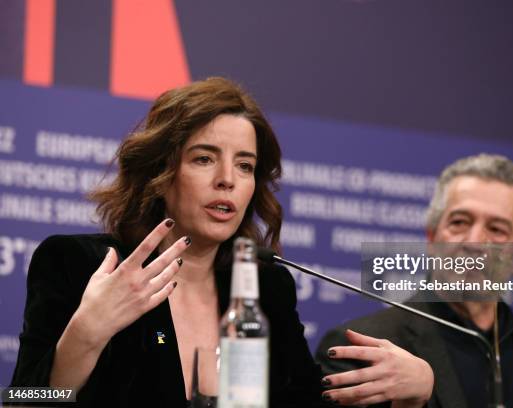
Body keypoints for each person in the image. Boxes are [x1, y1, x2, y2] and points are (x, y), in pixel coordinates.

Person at [10, 77, 433, 408]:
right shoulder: (83, 264)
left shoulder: (264, 287)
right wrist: (85, 335)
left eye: (244, 165)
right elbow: (22, 400)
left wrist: (411, 395)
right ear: (161, 173)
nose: (227, 179)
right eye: (204, 158)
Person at [316, 154, 513, 408]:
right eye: (460, 222)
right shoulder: (364, 349)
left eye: (497, 229)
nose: (475, 243)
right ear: (431, 238)